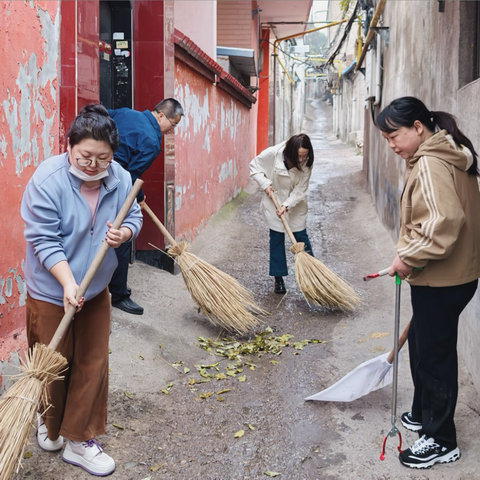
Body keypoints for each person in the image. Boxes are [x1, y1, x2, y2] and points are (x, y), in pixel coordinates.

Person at [21, 104, 143, 476]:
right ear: (69, 145)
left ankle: (79, 439)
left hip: (97, 289)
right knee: (52, 361)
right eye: (85, 156)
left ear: (112, 155)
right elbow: (43, 238)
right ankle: (49, 422)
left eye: (102, 157)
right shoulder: (47, 180)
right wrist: (68, 282)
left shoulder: (120, 178)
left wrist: (125, 233)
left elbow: (133, 214)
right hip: (49, 288)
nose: (92, 164)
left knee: (92, 361)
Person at [377, 96, 480, 469]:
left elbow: (443, 222)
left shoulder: (431, 163)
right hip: (444, 275)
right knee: (421, 343)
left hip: (443, 278)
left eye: (394, 136)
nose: (392, 145)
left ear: (418, 128)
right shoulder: (441, 153)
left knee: (435, 356)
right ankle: (423, 412)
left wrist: (407, 257)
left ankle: (441, 439)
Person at [107, 98, 184, 315]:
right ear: (161, 116)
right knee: (121, 241)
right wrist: (139, 198)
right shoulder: (151, 141)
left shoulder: (124, 112)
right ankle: (119, 295)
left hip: (94, 178)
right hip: (115, 189)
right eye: (173, 124)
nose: (172, 130)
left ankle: (105, 287)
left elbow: (102, 114)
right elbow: (131, 177)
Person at [249, 133, 315, 293]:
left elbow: (301, 190)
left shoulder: (307, 163)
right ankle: (278, 278)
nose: (301, 160)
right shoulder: (274, 153)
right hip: (274, 201)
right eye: (299, 156)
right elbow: (254, 166)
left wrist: (286, 205)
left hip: (295, 204)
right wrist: (264, 183)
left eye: (304, 156)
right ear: (291, 151)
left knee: (301, 237)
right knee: (277, 239)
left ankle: (313, 275)